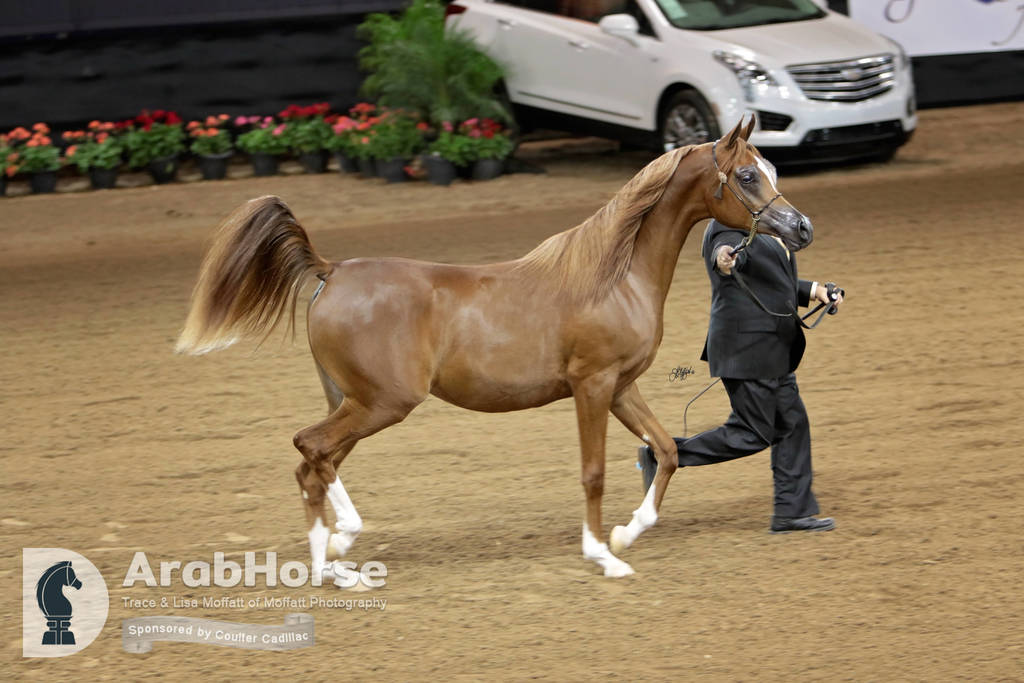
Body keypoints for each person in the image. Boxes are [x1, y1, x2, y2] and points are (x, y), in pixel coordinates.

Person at [638, 218, 843, 533]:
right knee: (753, 432)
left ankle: (792, 512)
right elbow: (726, 256)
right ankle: (666, 452)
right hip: (747, 350)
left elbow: (773, 281)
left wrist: (816, 291)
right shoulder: (727, 229)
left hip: (773, 348)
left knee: (792, 424)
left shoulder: (767, 229)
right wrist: (724, 259)